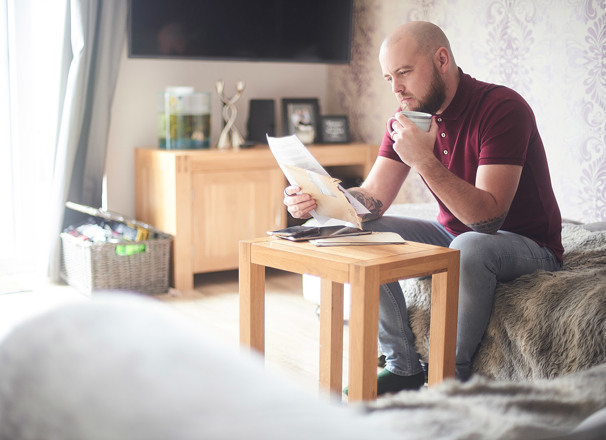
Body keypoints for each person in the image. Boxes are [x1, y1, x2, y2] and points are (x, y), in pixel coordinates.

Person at [283, 21, 563, 395]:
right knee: (354, 231)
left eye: (404, 72)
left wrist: (425, 161)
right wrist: (323, 202)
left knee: (471, 246)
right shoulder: (407, 118)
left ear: (441, 60)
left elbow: (489, 219)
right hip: (454, 232)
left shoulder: (502, 108)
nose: (396, 88)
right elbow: (373, 199)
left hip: (529, 245)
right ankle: (403, 367)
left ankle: (449, 378)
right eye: (388, 78)